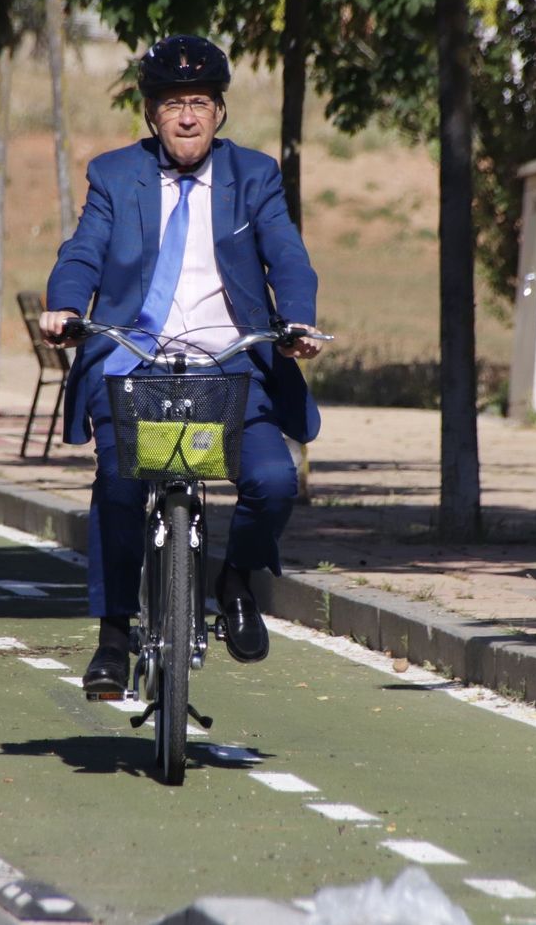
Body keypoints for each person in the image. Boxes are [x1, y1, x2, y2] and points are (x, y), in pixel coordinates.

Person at [40, 34, 326, 695]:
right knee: (118, 481)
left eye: (199, 102)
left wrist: (298, 320)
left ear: (220, 111)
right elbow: (83, 251)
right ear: (150, 113)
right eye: (173, 104)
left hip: (229, 369)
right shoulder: (115, 175)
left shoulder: (254, 175)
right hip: (135, 364)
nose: (188, 117)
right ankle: (114, 636)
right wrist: (64, 307)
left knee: (274, 481)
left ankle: (236, 582)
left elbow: (286, 254)